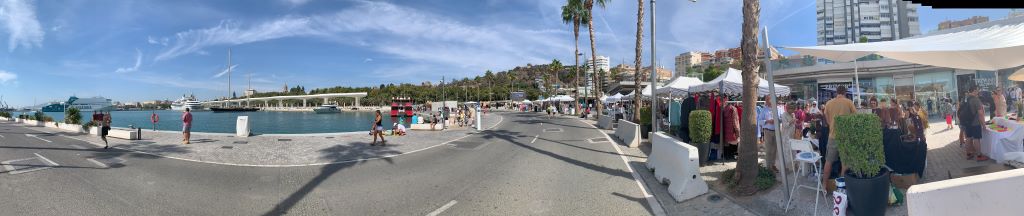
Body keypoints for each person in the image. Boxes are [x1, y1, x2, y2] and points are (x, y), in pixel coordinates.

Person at [822, 86, 857, 183]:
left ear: (836, 92)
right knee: (845, 163)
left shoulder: (829, 103)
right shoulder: (849, 102)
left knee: (828, 162)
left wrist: (832, 125)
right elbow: (855, 117)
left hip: (832, 136)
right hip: (845, 136)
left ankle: (824, 185)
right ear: (845, 92)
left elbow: (827, 119)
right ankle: (841, 186)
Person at [962, 86, 987, 161]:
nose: (978, 92)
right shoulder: (976, 100)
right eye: (977, 91)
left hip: (967, 122)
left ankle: (968, 154)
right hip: (975, 123)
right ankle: (979, 156)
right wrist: (983, 124)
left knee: (968, 138)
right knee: (976, 139)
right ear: (974, 91)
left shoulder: (965, 99)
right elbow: (980, 113)